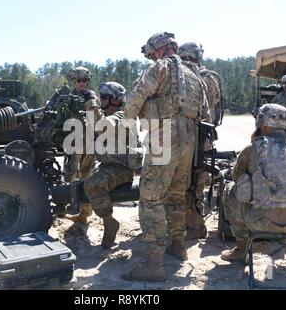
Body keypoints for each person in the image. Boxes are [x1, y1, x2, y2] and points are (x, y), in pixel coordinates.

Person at [123, 32, 209, 282]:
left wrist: (128, 120)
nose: (152, 58)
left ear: (159, 50)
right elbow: (204, 111)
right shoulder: (195, 75)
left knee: (150, 197)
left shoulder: (160, 67)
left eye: (152, 54)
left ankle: (154, 263)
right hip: (189, 139)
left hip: (164, 137)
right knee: (176, 195)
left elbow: (136, 96)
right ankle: (178, 246)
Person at [220, 104, 286, 274]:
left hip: (260, 222)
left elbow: (237, 177)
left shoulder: (252, 149)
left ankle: (241, 249)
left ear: (263, 125)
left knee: (233, 190)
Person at [83, 82, 139, 248]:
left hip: (121, 168)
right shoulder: (110, 115)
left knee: (92, 185)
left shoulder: (121, 116)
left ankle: (109, 222)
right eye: (100, 97)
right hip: (109, 165)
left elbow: (102, 126)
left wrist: (91, 103)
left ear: (115, 100)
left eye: (104, 97)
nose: (101, 100)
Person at [178, 42, 224, 240]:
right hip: (188, 138)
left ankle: (196, 226)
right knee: (186, 183)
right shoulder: (187, 77)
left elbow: (207, 102)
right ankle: (187, 224)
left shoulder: (206, 77)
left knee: (196, 183)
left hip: (200, 139)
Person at [62, 67, 103, 224]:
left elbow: (97, 116)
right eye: (79, 80)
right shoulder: (66, 95)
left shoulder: (89, 96)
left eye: (85, 80)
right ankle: (65, 207)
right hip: (72, 141)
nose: (82, 83)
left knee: (86, 176)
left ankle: (84, 214)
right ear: (73, 80)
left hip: (87, 142)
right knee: (69, 174)